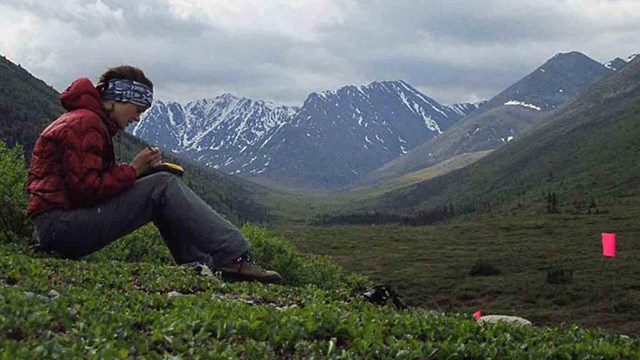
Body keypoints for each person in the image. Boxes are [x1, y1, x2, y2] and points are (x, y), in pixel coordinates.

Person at [26, 65, 282, 284]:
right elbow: (87, 190)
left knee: (158, 185)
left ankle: (205, 265)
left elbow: (85, 184)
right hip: (61, 228)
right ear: (116, 99)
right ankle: (233, 257)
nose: (137, 118)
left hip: (58, 227)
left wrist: (139, 173)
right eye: (137, 109)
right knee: (161, 187)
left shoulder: (84, 120)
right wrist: (135, 170)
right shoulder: (85, 124)